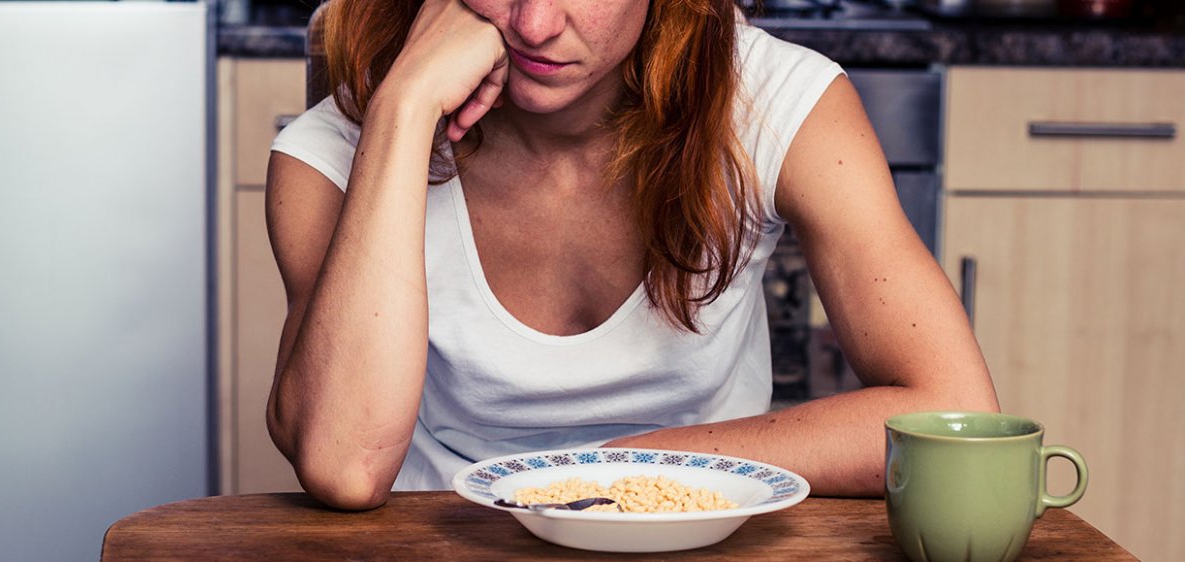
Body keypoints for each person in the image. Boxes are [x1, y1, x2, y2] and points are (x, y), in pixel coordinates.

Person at [263, 0, 999, 511]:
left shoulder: (773, 99)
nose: (536, 25)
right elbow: (344, 467)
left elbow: (952, 410)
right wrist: (404, 108)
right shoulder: (328, 154)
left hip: (698, 521)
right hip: (439, 536)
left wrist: (613, 470)